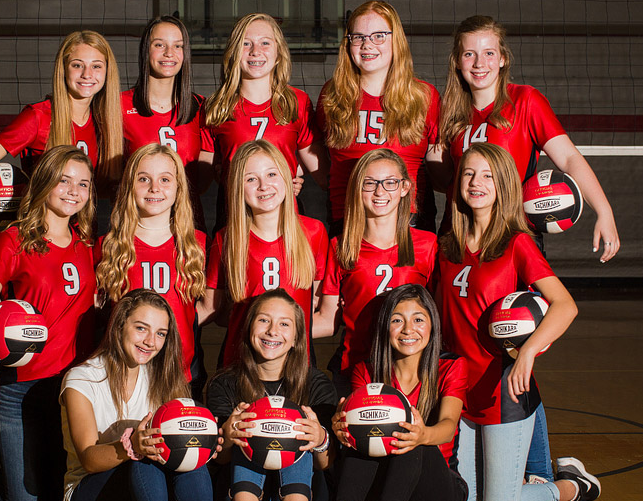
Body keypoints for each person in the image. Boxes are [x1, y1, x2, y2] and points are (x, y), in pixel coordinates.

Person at [433, 143, 601, 501]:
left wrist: (527, 353)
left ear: (504, 185)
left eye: (488, 176)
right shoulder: (447, 248)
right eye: (470, 174)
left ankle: (571, 485)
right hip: (459, 391)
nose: (476, 183)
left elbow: (565, 305)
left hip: (503, 391)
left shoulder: (515, 243)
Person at [0, 146, 99, 501]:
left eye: (82, 183)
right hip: (20, 390)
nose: (73, 190)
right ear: (45, 182)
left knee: (55, 499)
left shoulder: (89, 243)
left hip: (71, 390)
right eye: (64, 180)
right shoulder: (15, 239)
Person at [60, 289, 235, 501]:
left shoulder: (163, 376)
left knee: (185, 443)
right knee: (146, 446)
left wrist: (206, 442)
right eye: (141, 328)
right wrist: (131, 445)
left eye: (161, 333)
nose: (150, 341)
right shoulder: (82, 378)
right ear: (119, 326)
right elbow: (89, 459)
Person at [0, 30, 123, 274]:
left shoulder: (108, 121)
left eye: (97, 66)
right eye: (77, 65)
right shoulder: (39, 117)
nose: (87, 74)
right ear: (63, 69)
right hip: (43, 240)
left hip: (89, 240)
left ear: (108, 71)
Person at [434, 15, 620, 263]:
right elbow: (447, 181)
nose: (479, 63)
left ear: (502, 59)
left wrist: (604, 211)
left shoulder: (525, 101)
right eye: (469, 54)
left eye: (489, 53)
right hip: (458, 236)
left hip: (511, 238)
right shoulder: (448, 111)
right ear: (457, 61)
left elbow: (568, 158)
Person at [310, 285, 466, 501]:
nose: (408, 329)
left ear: (432, 323)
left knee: (404, 432)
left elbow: (447, 426)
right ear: (386, 327)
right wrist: (340, 430)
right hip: (376, 499)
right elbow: (352, 438)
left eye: (418, 319)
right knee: (365, 431)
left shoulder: (451, 366)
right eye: (397, 319)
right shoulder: (365, 371)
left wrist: (422, 434)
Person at [205, 290, 336, 501]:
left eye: (284, 324)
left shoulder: (317, 384)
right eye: (264, 321)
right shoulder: (225, 383)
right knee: (253, 427)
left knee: (294, 428)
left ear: (298, 337)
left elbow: (327, 464)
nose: (273, 331)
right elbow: (219, 461)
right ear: (249, 327)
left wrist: (319, 439)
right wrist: (229, 436)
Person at [314, 0, 440, 233]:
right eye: (359, 37)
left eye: (378, 36)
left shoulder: (423, 96)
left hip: (408, 217)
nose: (367, 44)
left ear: (396, 41)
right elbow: (314, 148)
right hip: (348, 215)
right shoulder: (333, 94)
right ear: (348, 43)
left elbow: (439, 166)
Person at [313, 149, 436, 385]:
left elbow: (438, 314)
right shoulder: (340, 247)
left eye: (390, 182)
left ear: (405, 188)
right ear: (356, 189)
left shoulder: (427, 244)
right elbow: (328, 320)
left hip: (413, 372)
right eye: (370, 183)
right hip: (356, 369)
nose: (380, 191)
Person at [204, 140, 327, 365]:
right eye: (251, 179)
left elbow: (314, 307)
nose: (263, 186)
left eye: (272, 175)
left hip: (296, 363)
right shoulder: (227, 238)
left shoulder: (313, 232)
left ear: (287, 179)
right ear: (236, 187)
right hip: (240, 362)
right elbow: (214, 310)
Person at [96, 143, 207, 389]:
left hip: (179, 373)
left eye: (165, 179)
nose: (154, 187)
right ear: (129, 186)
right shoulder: (109, 245)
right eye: (143, 179)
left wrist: (176, 329)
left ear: (179, 188)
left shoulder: (197, 244)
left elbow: (208, 307)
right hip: (124, 374)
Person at [200, 12, 328, 224]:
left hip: (284, 218)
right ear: (234, 52)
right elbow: (204, 178)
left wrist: (286, 175)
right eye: (246, 43)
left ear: (278, 53)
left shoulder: (296, 101)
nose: (255, 51)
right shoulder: (216, 106)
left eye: (265, 43)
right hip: (234, 218)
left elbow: (322, 175)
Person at [121, 16, 209, 224]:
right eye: (159, 45)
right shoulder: (119, 106)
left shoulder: (201, 108)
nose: (169, 53)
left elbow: (202, 181)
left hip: (188, 223)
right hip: (135, 224)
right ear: (146, 50)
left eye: (177, 46)